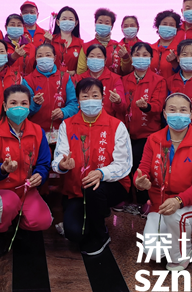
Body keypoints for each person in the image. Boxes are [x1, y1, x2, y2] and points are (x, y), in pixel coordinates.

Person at [52, 77, 132, 255]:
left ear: (103, 98)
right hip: (76, 189)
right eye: (85, 96)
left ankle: (101, 234)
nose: (90, 100)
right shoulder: (67, 125)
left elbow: (124, 164)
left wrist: (101, 173)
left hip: (109, 186)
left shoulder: (116, 126)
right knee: (75, 233)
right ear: (78, 100)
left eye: (95, 95)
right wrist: (63, 165)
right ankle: (91, 215)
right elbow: (58, 159)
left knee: (94, 191)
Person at [136, 93, 192, 271]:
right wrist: (140, 181)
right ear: (164, 114)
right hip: (160, 204)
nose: (177, 114)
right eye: (172, 110)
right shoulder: (154, 139)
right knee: (154, 252)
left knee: (176, 216)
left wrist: (179, 201)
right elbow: (143, 169)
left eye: (183, 110)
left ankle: (183, 254)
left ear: (191, 114)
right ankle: (178, 236)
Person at [0, 85, 52, 256]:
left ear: (29, 106)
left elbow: (44, 163)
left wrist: (40, 175)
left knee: (43, 220)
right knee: (8, 203)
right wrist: (3, 169)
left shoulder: (37, 131)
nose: (19, 107)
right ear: (5, 106)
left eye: (24, 103)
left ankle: (16, 222)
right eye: (13, 103)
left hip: (26, 189)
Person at [122, 42, 168, 209]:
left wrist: (146, 107)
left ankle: (143, 201)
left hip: (148, 134)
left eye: (145, 55)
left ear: (151, 58)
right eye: (137, 54)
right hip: (126, 132)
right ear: (131, 57)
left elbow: (158, 106)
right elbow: (120, 106)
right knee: (125, 163)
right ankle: (127, 199)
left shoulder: (159, 81)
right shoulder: (124, 79)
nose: (140, 58)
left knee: (142, 166)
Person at [23, 43, 79, 143]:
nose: (44, 58)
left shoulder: (65, 78)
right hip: (36, 131)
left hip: (61, 132)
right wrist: (35, 104)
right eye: (40, 56)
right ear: (36, 58)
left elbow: (74, 104)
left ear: (54, 58)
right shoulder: (28, 80)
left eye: (48, 55)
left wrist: (64, 112)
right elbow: (24, 109)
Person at [72, 44, 125, 119]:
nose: (95, 59)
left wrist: (118, 101)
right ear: (86, 60)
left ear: (105, 60)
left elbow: (122, 108)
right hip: (83, 121)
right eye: (92, 56)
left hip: (108, 121)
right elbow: (72, 103)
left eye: (99, 56)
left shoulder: (115, 79)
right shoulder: (78, 79)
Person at [77, 8, 122, 75]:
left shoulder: (118, 46)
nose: (103, 25)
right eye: (100, 22)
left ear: (112, 27)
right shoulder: (86, 46)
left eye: (107, 23)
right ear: (95, 24)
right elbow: (81, 71)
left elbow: (123, 71)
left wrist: (126, 58)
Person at [51, 6, 83, 75]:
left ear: (76, 23)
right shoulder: (50, 40)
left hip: (72, 80)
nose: (67, 22)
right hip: (52, 78)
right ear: (58, 22)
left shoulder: (80, 43)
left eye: (71, 19)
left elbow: (82, 67)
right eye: (64, 19)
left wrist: (74, 72)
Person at [150, 10, 181, 81]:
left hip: (172, 86)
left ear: (176, 29)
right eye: (164, 24)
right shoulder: (150, 49)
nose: (168, 27)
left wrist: (175, 63)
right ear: (158, 27)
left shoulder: (181, 50)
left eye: (171, 25)